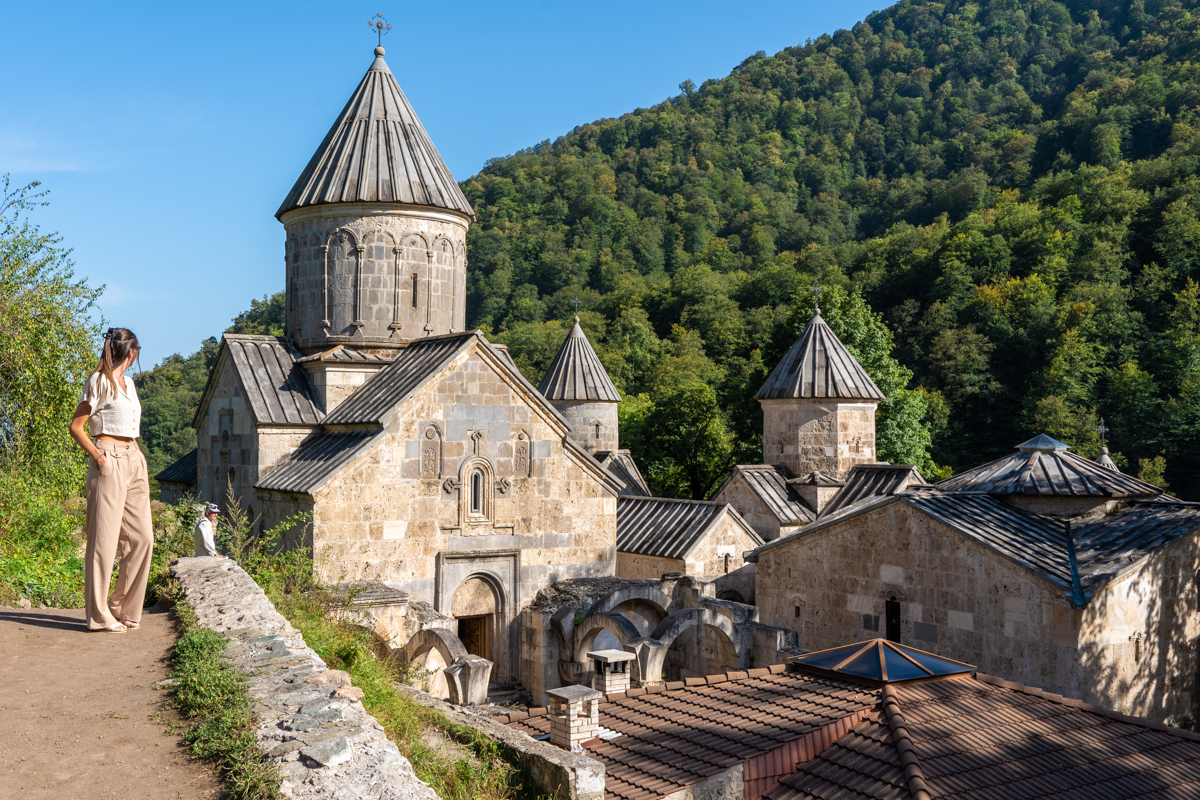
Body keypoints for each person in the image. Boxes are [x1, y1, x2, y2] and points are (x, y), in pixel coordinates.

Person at [68, 328, 153, 633]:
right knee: (104, 543)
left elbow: (130, 424)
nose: (138, 355)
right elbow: (76, 426)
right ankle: (99, 615)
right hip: (107, 458)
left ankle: (123, 607)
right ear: (130, 352)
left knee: (142, 538)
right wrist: (99, 456)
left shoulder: (129, 383)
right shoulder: (98, 381)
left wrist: (138, 456)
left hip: (134, 458)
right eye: (137, 350)